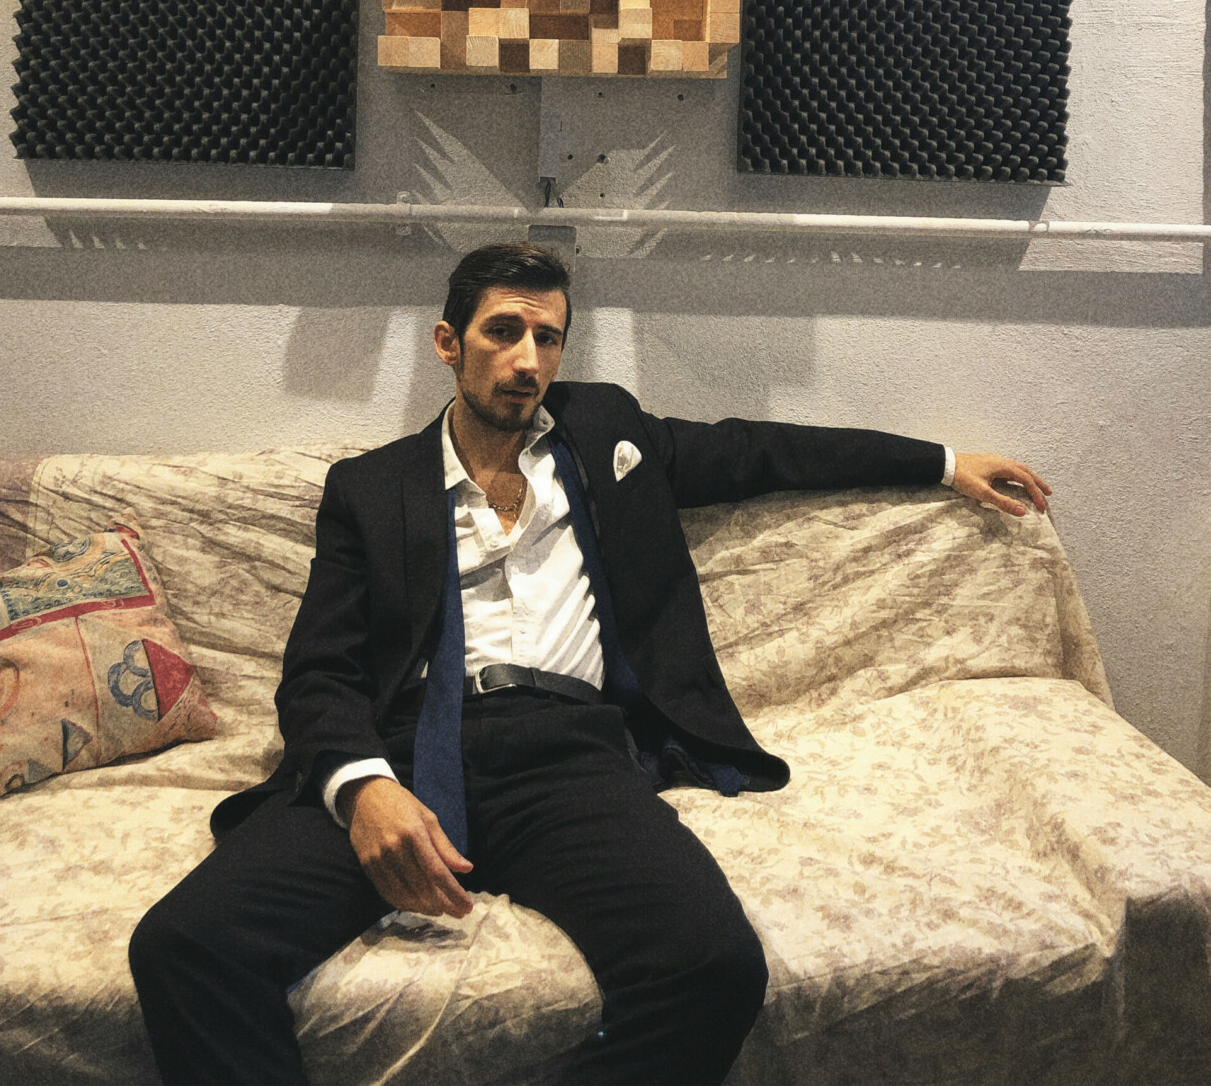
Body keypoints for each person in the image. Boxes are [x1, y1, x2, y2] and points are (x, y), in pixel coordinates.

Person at [129, 242, 1051, 1086]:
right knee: (185, 946)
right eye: (503, 332)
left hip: (567, 756)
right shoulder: (370, 487)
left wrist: (941, 463)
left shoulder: (607, 432)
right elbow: (318, 672)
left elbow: (758, 450)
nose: (528, 360)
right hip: (405, 751)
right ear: (448, 344)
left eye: (548, 338)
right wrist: (362, 788)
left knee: (713, 966)